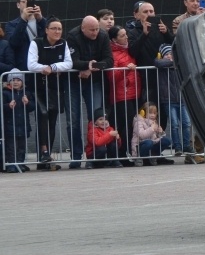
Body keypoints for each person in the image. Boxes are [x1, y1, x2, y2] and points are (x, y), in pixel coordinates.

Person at [65, 15, 113, 169]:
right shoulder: (73, 36)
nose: (95, 33)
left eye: (97, 29)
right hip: (73, 81)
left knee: (97, 117)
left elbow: (109, 60)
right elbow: (72, 61)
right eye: (91, 30)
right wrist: (87, 65)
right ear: (82, 28)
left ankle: (94, 155)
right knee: (73, 119)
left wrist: (91, 69)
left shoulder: (103, 35)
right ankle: (76, 155)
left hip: (94, 81)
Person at [27, 17, 72, 170]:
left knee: (52, 120)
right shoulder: (36, 43)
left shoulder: (63, 43)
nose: (57, 31)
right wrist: (43, 68)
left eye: (59, 29)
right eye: (54, 28)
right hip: (37, 87)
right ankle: (43, 152)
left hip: (54, 88)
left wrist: (52, 67)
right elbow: (31, 64)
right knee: (43, 115)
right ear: (46, 30)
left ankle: (45, 158)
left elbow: (69, 63)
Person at [126, 0, 174, 131]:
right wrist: (144, 34)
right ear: (136, 15)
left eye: (151, 11)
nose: (149, 14)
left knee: (163, 111)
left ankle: (160, 140)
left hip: (164, 79)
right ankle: (147, 141)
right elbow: (133, 51)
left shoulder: (161, 29)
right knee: (148, 109)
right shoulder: (132, 32)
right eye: (145, 12)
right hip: (145, 79)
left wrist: (167, 33)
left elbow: (175, 46)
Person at [107, 26, 140, 167]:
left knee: (132, 126)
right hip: (121, 95)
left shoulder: (129, 50)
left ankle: (127, 152)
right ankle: (121, 154)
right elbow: (112, 76)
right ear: (114, 39)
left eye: (126, 34)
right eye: (122, 36)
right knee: (124, 126)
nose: (126, 37)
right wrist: (126, 70)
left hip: (134, 93)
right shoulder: (112, 54)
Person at [154, 44, 192, 162]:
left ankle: (186, 145)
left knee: (186, 123)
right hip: (168, 100)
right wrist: (172, 62)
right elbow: (158, 63)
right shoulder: (161, 63)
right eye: (167, 54)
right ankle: (178, 147)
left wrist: (174, 62)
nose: (170, 56)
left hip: (181, 99)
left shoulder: (178, 63)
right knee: (174, 124)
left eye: (171, 54)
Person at [6, 0, 46, 76]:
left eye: (31, 2)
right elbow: (14, 43)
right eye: (24, 2)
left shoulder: (41, 22)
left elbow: (52, 36)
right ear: (18, 5)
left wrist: (41, 19)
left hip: (43, 67)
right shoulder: (11, 25)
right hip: (24, 68)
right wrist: (23, 20)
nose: (28, 4)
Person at [3, 69, 36, 173]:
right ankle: (12, 164)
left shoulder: (26, 93)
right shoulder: (5, 93)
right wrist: (8, 106)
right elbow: (1, 107)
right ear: (9, 82)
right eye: (13, 80)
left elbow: (32, 107)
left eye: (18, 79)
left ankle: (20, 163)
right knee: (11, 147)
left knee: (21, 146)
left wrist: (27, 103)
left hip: (23, 124)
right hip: (10, 125)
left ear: (22, 82)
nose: (15, 82)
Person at [130, 101, 172, 166]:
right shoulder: (138, 121)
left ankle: (153, 155)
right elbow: (141, 135)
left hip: (152, 143)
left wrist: (161, 132)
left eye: (154, 113)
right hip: (140, 144)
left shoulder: (154, 122)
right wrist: (152, 129)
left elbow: (158, 137)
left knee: (167, 141)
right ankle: (138, 157)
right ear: (143, 112)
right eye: (150, 113)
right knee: (149, 142)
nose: (153, 115)